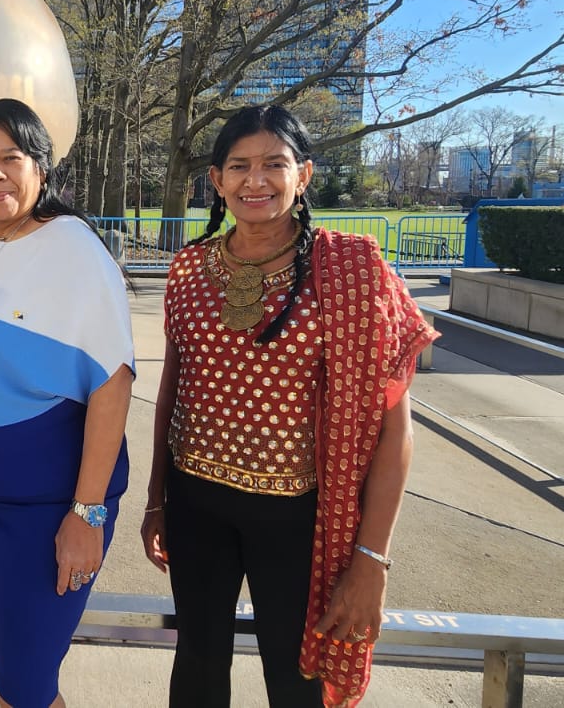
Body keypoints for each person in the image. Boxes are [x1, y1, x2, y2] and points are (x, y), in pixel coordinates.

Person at [138, 105, 436, 708]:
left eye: (274, 164)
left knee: (297, 681)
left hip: (302, 520)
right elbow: (173, 389)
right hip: (196, 506)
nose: (256, 180)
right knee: (197, 665)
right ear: (216, 180)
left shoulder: (355, 270)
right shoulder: (189, 268)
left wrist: (371, 559)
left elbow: (394, 429)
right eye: (238, 166)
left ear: (303, 175)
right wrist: (156, 498)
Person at [0, 98, 134, 708]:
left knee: (27, 683)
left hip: (45, 514)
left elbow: (112, 383)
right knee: (6, 665)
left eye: (9, 158)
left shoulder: (73, 250)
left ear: (41, 165)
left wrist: (87, 516)